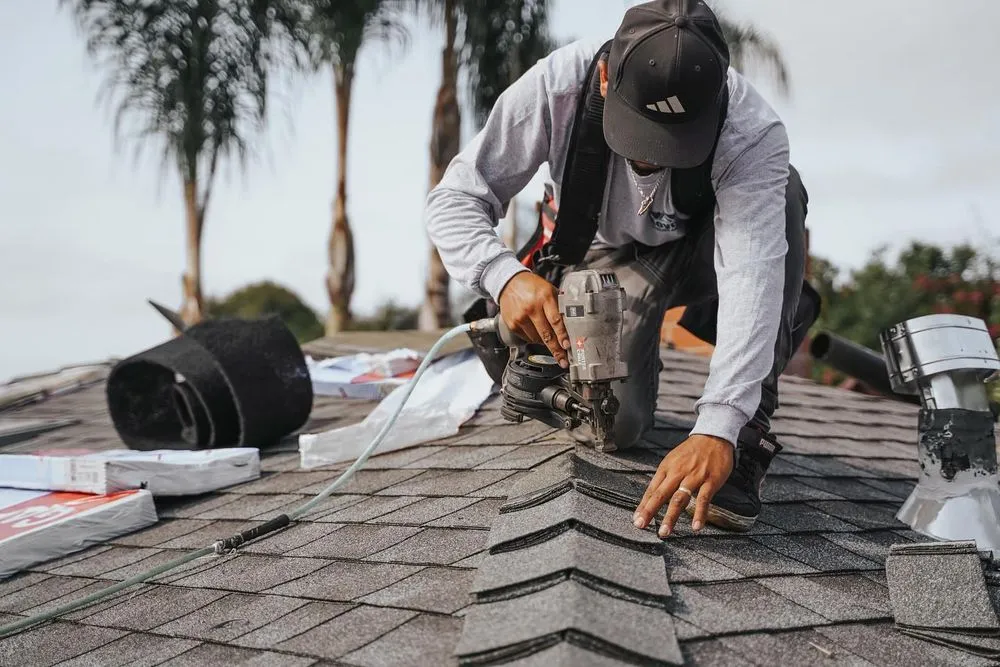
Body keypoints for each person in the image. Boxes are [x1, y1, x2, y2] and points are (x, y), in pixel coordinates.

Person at [423, 0, 817, 537]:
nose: (652, 159)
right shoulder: (558, 86)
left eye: (674, 143)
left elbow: (752, 276)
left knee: (787, 192)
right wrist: (505, 275)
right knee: (618, 426)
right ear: (607, 77)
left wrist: (720, 428)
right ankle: (540, 371)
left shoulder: (750, 131)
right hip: (598, 254)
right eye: (641, 135)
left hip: (699, 254)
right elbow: (454, 199)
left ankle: (747, 441)